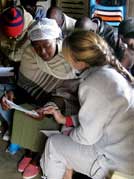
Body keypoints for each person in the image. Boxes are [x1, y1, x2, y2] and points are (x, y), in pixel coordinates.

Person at [40, 30, 134, 179]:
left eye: (67, 58)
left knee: (54, 144)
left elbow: (87, 137)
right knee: (67, 132)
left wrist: (69, 133)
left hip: (115, 164)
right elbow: (102, 116)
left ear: (80, 62)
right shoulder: (113, 72)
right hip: (125, 154)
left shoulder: (93, 84)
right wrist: (65, 120)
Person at [1, 18, 80, 179]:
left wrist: (51, 106)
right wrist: (13, 96)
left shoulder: (70, 57)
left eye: (46, 46)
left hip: (62, 103)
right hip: (39, 98)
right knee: (25, 112)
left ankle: (38, 157)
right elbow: (25, 85)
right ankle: (31, 151)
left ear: (57, 39)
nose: (42, 52)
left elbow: (70, 94)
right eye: (37, 47)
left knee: (49, 120)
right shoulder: (30, 53)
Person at [0, 5, 33, 140]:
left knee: (11, 99)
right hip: (5, 71)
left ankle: (16, 128)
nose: (13, 40)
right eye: (9, 37)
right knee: (3, 99)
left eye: (16, 36)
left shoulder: (33, 30)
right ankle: (9, 124)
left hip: (24, 75)